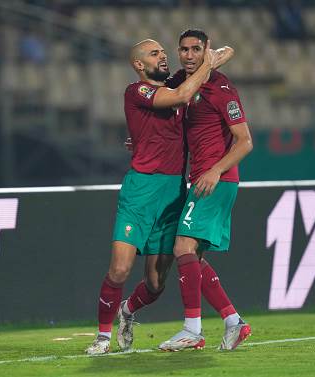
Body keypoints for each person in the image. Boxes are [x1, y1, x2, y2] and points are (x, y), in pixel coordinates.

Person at [85, 38, 231, 355]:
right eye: (155, 54)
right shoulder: (137, 91)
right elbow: (181, 93)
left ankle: (127, 311)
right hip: (140, 192)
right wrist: (211, 61)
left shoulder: (176, 98)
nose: (163, 58)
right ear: (139, 65)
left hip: (173, 194)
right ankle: (101, 337)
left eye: (164, 53)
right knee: (120, 269)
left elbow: (184, 113)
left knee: (155, 284)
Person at [158, 29, 253, 352]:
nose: (188, 55)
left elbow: (245, 141)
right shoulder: (185, 84)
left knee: (183, 246)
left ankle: (192, 330)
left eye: (196, 49)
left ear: (205, 50)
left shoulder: (222, 89)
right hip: (199, 179)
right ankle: (232, 321)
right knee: (192, 255)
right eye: (183, 49)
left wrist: (215, 169)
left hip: (216, 180)